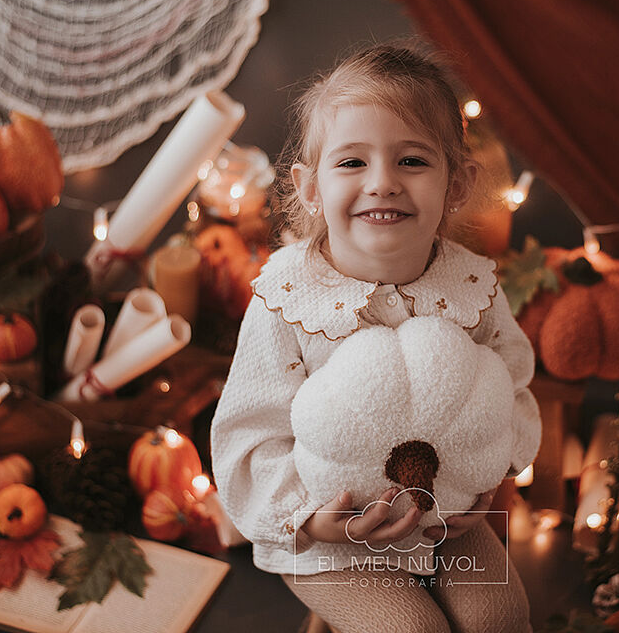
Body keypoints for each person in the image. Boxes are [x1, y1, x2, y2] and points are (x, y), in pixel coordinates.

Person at [211, 42, 541, 633]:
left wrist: (488, 481)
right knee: (410, 630)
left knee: (500, 619)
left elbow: (509, 384)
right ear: (309, 188)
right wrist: (312, 520)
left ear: (458, 183)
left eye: (412, 161)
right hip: (331, 531)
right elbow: (249, 434)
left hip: (448, 517)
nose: (382, 182)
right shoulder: (287, 300)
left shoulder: (470, 285)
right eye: (352, 163)